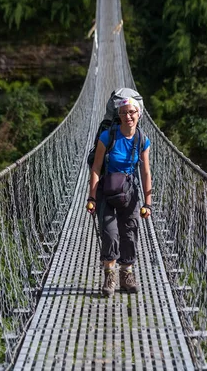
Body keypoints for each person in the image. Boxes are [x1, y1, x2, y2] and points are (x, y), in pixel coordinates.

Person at [87, 95, 152, 297]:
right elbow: (96, 167)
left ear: (139, 114)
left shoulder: (143, 139)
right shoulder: (107, 136)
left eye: (132, 112)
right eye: (124, 113)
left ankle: (127, 275)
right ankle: (109, 276)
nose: (128, 116)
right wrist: (92, 197)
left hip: (129, 190)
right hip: (107, 188)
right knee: (109, 233)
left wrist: (148, 203)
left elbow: (145, 172)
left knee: (130, 232)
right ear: (119, 115)